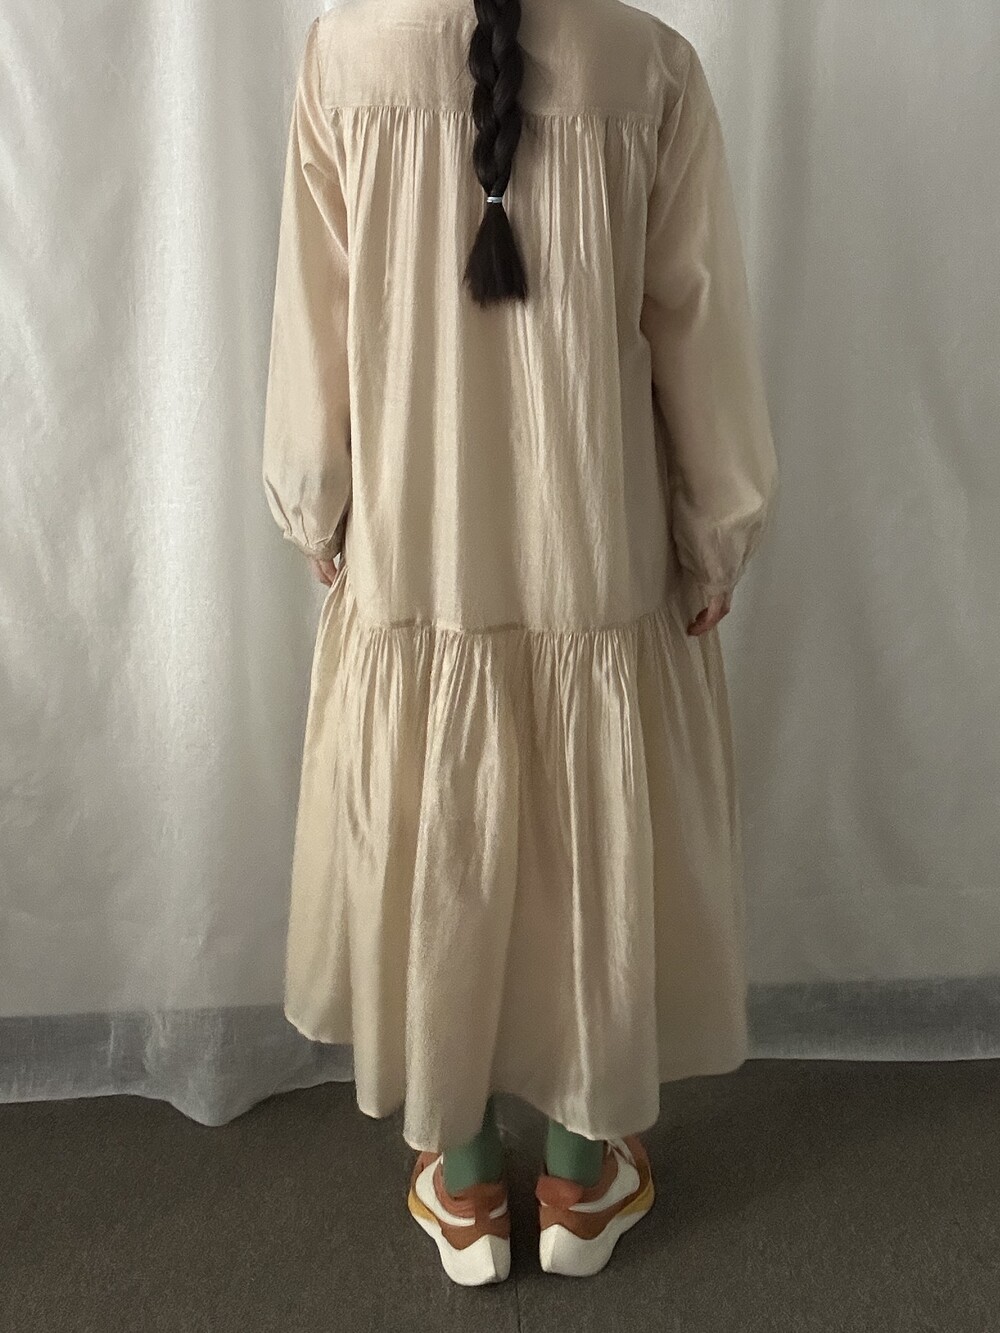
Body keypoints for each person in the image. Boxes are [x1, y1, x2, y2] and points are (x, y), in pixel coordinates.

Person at [261, 0, 778, 1288]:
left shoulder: (343, 58)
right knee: (581, 844)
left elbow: (314, 317)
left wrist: (318, 502)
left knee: (442, 836)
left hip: (418, 552)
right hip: (592, 550)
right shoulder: (649, 69)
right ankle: (583, 1175)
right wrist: (715, 528)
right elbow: (696, 321)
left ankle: (466, 1176)